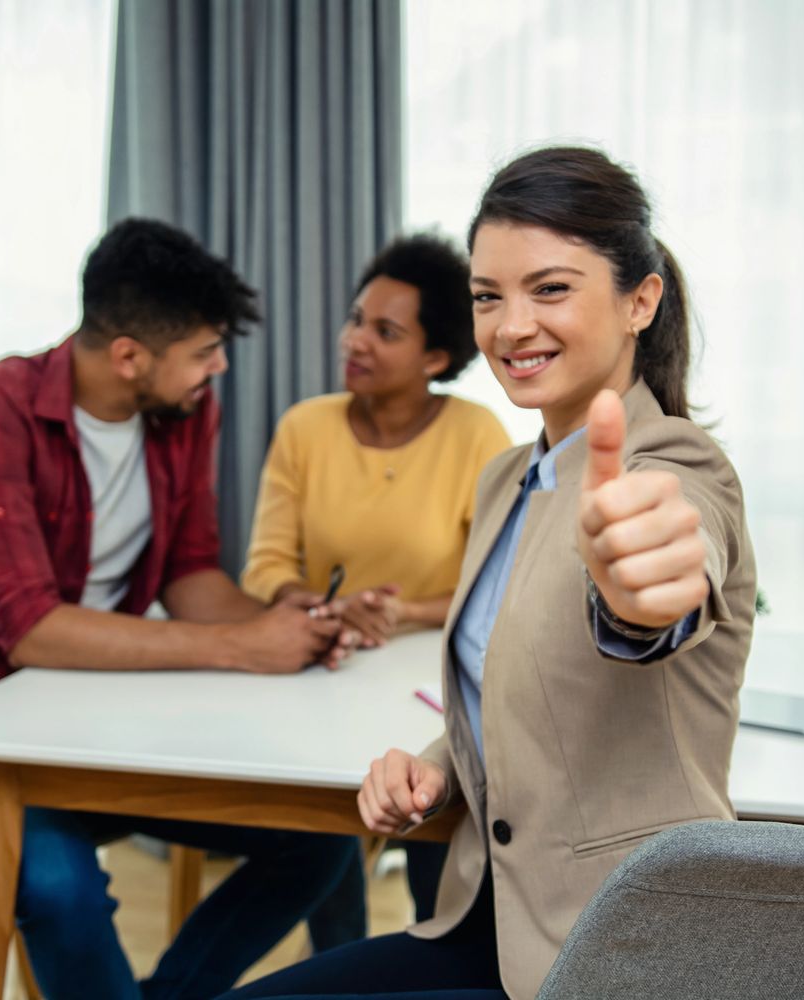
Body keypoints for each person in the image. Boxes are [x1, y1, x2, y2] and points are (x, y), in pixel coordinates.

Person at [212, 146, 757, 1000]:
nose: (510, 327)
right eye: (487, 296)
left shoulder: (678, 465)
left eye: (551, 289)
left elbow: (662, 583)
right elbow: (528, 696)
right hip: (494, 919)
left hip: (623, 947)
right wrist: (439, 765)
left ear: (639, 301)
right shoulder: (508, 478)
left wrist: (642, 598)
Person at [0, 218, 361, 1000]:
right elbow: (31, 630)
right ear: (129, 355)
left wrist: (281, 624)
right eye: (204, 352)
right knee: (61, 889)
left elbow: (189, 573)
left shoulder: (184, 412)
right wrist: (240, 647)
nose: (220, 367)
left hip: (97, 728)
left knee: (321, 838)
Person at [241, 234, 510, 940]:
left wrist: (400, 612)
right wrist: (318, 606)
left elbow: (499, 584)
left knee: (436, 826)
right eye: (357, 318)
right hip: (325, 681)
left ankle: (433, 951)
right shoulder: (306, 428)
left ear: (436, 358)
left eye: (384, 331)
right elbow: (265, 566)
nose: (353, 340)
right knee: (325, 827)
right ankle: (343, 961)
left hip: (431, 690)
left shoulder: (475, 435)